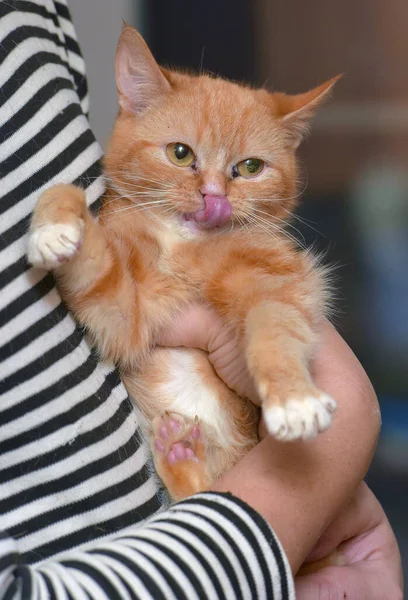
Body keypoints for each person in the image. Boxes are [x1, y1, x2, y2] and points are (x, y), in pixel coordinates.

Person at [0, 1, 402, 598]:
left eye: (248, 168)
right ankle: (191, 491)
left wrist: (282, 376)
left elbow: (271, 309)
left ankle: (195, 487)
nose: (213, 191)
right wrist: (65, 210)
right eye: (183, 155)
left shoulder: (248, 240)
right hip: (212, 544)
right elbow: (115, 318)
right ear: (133, 107)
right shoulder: (130, 222)